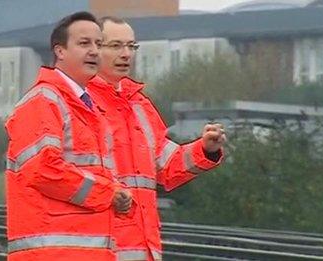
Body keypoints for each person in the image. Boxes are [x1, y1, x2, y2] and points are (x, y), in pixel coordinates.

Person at [87, 16, 226, 261]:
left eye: (131, 46)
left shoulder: (140, 105)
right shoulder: (80, 103)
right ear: (94, 49)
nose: (126, 54)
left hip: (143, 247)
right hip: (100, 246)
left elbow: (166, 165)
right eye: (116, 45)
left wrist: (205, 149)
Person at [5, 12, 132, 261]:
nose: (94, 51)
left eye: (98, 43)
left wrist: (118, 191)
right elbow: (43, 169)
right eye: (84, 43)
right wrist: (108, 193)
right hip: (54, 253)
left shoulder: (88, 109)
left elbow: (95, 172)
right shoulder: (44, 101)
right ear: (60, 51)